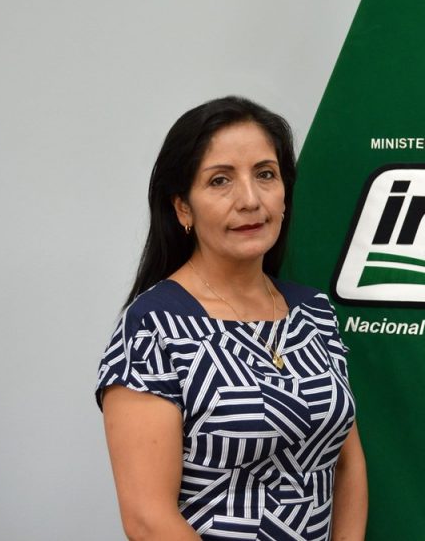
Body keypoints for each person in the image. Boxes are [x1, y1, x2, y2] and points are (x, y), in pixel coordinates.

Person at [95, 96, 368, 540]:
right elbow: (147, 519)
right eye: (220, 180)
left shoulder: (314, 312)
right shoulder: (153, 328)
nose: (250, 200)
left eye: (265, 174)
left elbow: (347, 463)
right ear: (183, 207)